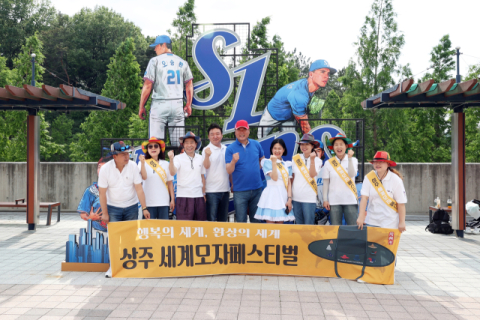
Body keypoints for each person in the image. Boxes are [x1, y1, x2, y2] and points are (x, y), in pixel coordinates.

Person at [257, 59, 336, 138]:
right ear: (311, 74)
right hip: (272, 114)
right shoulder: (299, 94)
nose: (327, 76)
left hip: (289, 117)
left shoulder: (310, 87)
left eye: (328, 73)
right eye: (322, 72)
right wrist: (314, 144)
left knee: (290, 142)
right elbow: (305, 127)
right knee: (261, 140)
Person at [138, 35, 194, 147]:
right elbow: (189, 84)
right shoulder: (182, 62)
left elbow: (148, 85)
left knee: (155, 144)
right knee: (179, 145)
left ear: (163, 45)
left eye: (156, 46)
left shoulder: (155, 61)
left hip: (160, 103)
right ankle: (178, 163)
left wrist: (141, 106)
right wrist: (188, 104)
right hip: (178, 104)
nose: (155, 49)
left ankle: (158, 163)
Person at [98, 142, 150, 223]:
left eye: (127, 153)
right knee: (115, 235)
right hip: (113, 207)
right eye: (123, 154)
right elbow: (102, 193)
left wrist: (144, 208)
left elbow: (139, 189)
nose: (127, 156)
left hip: (132, 207)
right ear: (115, 156)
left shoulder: (133, 166)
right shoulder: (105, 169)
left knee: (131, 234)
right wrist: (104, 213)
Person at [357, 151, 407, 232]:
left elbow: (401, 203)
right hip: (372, 221)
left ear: (388, 164)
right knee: (371, 245)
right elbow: (364, 198)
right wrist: (361, 216)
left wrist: (402, 222)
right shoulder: (369, 177)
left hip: (390, 223)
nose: (378, 164)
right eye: (375, 162)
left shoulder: (396, 180)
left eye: (381, 162)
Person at [226, 120, 265, 223]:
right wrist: (233, 161)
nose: (241, 132)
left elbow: (262, 159)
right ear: (235, 131)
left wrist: (256, 168)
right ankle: (241, 240)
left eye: (244, 129)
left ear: (249, 131)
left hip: (257, 189)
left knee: (256, 220)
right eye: (239, 130)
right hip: (240, 191)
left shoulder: (256, 144)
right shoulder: (230, 149)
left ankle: (255, 240)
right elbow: (228, 170)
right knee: (241, 221)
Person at [168, 132, 207, 221]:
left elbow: (202, 177)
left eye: (192, 142)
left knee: (199, 225)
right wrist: (171, 159)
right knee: (184, 226)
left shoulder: (201, 158)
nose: (189, 145)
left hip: (198, 196)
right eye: (187, 143)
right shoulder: (178, 158)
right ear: (183, 145)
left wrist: (203, 194)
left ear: (196, 144)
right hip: (183, 196)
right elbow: (172, 172)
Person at [254, 139, 294, 224]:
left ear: (283, 149)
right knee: (270, 227)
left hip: (282, 195)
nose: (277, 151)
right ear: (271, 149)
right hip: (271, 196)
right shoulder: (267, 162)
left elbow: (289, 183)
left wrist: (289, 199)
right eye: (275, 148)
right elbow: (274, 178)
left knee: (280, 226)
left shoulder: (287, 165)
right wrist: (274, 162)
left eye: (279, 148)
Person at [322, 133, 358, 225]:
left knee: (353, 227)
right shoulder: (328, 163)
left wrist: (349, 159)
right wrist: (325, 199)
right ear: (333, 147)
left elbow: (352, 174)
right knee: (335, 229)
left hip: (350, 199)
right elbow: (325, 183)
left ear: (346, 146)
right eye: (336, 145)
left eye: (341, 144)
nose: (339, 147)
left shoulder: (353, 160)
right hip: (334, 201)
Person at [138, 137, 174, 220]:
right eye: (150, 147)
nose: (153, 148)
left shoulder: (166, 164)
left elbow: (170, 183)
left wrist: (172, 199)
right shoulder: (142, 163)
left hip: (164, 202)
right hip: (148, 203)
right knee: (149, 230)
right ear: (147, 149)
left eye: (156, 146)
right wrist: (143, 164)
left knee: (164, 229)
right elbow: (144, 177)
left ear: (160, 149)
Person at [291, 134, 323, 225]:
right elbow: (292, 178)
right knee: (298, 224)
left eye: (307, 144)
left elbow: (312, 175)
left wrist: (312, 160)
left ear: (312, 146)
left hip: (309, 198)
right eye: (302, 144)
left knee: (309, 224)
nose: (304, 147)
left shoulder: (317, 160)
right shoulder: (296, 158)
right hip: (296, 197)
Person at [202, 123, 231, 222]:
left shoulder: (226, 149)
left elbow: (229, 169)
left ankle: (221, 238)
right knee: (211, 220)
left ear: (222, 135)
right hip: (211, 192)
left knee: (223, 221)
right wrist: (206, 156)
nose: (215, 136)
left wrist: (232, 184)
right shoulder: (206, 150)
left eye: (217, 133)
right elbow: (205, 166)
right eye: (212, 134)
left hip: (225, 190)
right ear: (208, 136)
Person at [77, 156, 113, 232]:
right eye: (99, 167)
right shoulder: (91, 190)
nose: (100, 170)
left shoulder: (121, 188)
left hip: (117, 230)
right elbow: (83, 214)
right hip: (97, 231)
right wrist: (90, 218)